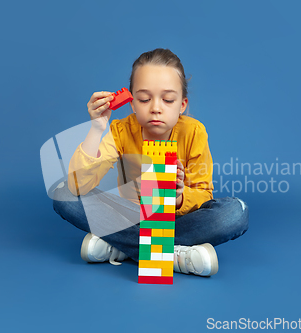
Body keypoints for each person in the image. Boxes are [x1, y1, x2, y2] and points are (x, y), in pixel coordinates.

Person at [53, 48, 248, 277]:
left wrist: (180, 197)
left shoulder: (194, 132)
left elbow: (204, 193)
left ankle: (121, 246)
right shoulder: (121, 131)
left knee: (235, 212)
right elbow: (78, 186)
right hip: (131, 216)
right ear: (133, 104)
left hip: (179, 219)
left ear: (182, 104)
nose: (156, 107)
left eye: (167, 99)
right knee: (63, 194)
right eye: (145, 99)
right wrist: (97, 129)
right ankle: (175, 255)